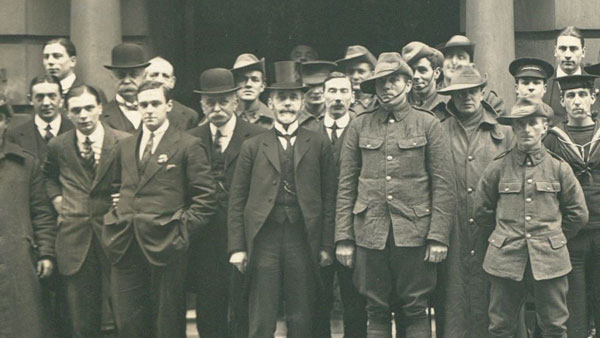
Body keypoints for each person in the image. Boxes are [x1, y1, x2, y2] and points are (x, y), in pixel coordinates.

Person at [336, 52, 455, 338]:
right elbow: (346, 185)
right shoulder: (359, 124)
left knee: (415, 308)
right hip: (369, 234)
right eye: (380, 82)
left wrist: (438, 236)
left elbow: (443, 185)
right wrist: (344, 238)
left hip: (414, 233)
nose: (386, 87)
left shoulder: (428, 124)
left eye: (393, 81)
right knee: (375, 309)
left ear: (408, 83)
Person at [228, 61, 337, 338]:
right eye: (281, 99)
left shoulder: (318, 142)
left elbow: (329, 197)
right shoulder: (253, 145)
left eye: (293, 99)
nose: (287, 105)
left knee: (302, 315)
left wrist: (326, 245)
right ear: (271, 103)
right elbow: (237, 199)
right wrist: (238, 247)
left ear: (302, 103)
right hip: (265, 237)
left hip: (302, 237)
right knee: (262, 315)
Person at [102, 81, 216, 338]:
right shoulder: (125, 146)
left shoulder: (187, 145)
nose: (149, 110)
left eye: (155, 104)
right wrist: (117, 218)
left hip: (166, 245)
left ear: (169, 106)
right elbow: (118, 187)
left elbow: (206, 199)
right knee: (128, 322)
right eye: (143, 105)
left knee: (167, 323)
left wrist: (180, 233)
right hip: (125, 243)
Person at [474, 97, 588, 338]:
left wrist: (551, 238)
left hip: (550, 261)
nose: (526, 129)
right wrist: (503, 237)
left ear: (544, 127)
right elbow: (482, 212)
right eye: (520, 124)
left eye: (533, 123)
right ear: (513, 128)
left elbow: (578, 214)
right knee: (500, 328)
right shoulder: (498, 167)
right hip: (506, 260)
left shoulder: (559, 168)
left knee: (554, 327)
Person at [43, 85, 129, 337]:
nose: (84, 115)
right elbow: (48, 177)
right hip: (75, 239)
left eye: (89, 108)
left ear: (100, 108)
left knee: (122, 316)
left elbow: (135, 181)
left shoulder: (123, 141)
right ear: (67, 113)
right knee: (82, 321)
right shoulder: (58, 146)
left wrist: (124, 200)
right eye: (76, 110)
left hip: (115, 237)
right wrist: (57, 197)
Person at [436, 64, 514, 338]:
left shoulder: (504, 134)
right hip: (452, 230)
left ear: (482, 92)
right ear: (451, 96)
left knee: (492, 302)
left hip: (491, 232)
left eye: (473, 91)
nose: (467, 97)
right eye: (460, 93)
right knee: (453, 300)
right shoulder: (438, 130)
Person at [187, 68, 265, 338]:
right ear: (201, 105)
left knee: (244, 305)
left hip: (243, 234)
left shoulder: (256, 136)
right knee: (209, 307)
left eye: (223, 101)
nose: (217, 108)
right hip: (204, 238)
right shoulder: (190, 138)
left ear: (235, 101)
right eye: (210, 102)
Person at [310, 71, 367, 338]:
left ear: (353, 96)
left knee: (354, 301)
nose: (337, 98)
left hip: (353, 229)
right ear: (322, 96)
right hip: (316, 230)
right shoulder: (307, 131)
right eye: (332, 91)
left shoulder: (362, 128)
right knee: (316, 301)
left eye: (344, 91)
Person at [543, 74, 600, 338]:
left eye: (582, 95)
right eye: (571, 96)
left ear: (593, 97)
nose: (578, 101)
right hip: (572, 237)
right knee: (574, 311)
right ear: (563, 102)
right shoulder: (553, 140)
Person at [0, 118, 56, 338]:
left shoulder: (24, 163)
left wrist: (46, 253)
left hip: (17, 260)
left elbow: (41, 212)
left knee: (22, 325)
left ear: (4, 122)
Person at [5, 75, 74, 161]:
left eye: (52, 96)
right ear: (30, 100)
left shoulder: (75, 131)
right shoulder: (14, 136)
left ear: (62, 99)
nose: (46, 103)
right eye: (39, 97)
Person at [439, 35, 506, 116]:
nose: (454, 62)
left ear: (470, 64)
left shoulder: (490, 100)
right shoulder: (432, 97)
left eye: (461, 57)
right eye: (449, 56)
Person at [101, 43, 151, 133]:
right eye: (121, 75)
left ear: (145, 76)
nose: (127, 81)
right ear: (111, 77)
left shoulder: (161, 111)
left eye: (134, 74)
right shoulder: (101, 116)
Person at [547, 26, 590, 124]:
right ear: (555, 51)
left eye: (573, 49)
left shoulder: (596, 85)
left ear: (583, 52)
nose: (567, 55)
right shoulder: (542, 87)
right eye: (562, 48)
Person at [145, 56, 201, 129]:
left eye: (165, 76)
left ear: (172, 82)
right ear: (143, 78)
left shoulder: (189, 116)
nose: (160, 80)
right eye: (154, 75)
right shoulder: (133, 111)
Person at [402, 41, 448, 120]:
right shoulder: (399, 104)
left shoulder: (448, 106)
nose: (415, 76)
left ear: (436, 73)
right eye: (412, 71)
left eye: (422, 70)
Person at [230, 53, 274, 129]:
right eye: (242, 80)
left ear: (262, 86)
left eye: (255, 80)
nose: (248, 84)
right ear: (234, 85)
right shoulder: (225, 117)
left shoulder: (274, 120)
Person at [336, 45, 377, 116]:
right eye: (351, 72)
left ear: (372, 74)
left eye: (361, 72)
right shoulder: (338, 102)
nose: (355, 77)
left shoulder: (379, 104)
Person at [298, 61, 337, 129]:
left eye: (321, 85)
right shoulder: (292, 119)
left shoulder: (340, 116)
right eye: (310, 86)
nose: (316, 91)